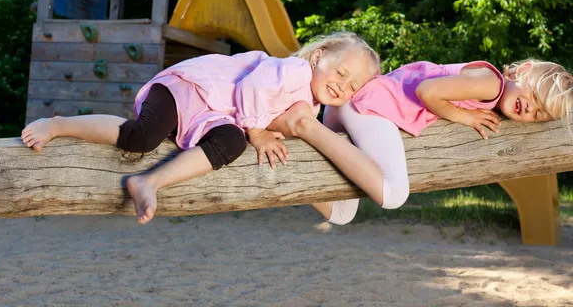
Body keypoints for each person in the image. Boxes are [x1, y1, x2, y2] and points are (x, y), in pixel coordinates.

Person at [21, 32, 380, 224]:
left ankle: (149, 182)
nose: (342, 87)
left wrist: (254, 134)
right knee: (142, 136)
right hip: (190, 88)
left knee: (230, 142)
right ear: (319, 57)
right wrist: (257, 133)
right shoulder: (294, 70)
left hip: (212, 114)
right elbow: (251, 89)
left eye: (352, 88)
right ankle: (59, 124)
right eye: (340, 73)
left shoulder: (312, 106)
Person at [269, 58, 573, 225]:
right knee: (394, 194)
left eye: (539, 114)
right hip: (373, 106)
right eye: (533, 97)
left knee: (341, 213)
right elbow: (428, 91)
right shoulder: (490, 82)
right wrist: (464, 117)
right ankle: (303, 123)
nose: (530, 109)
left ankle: (279, 167)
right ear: (523, 71)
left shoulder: (493, 94)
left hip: (355, 110)